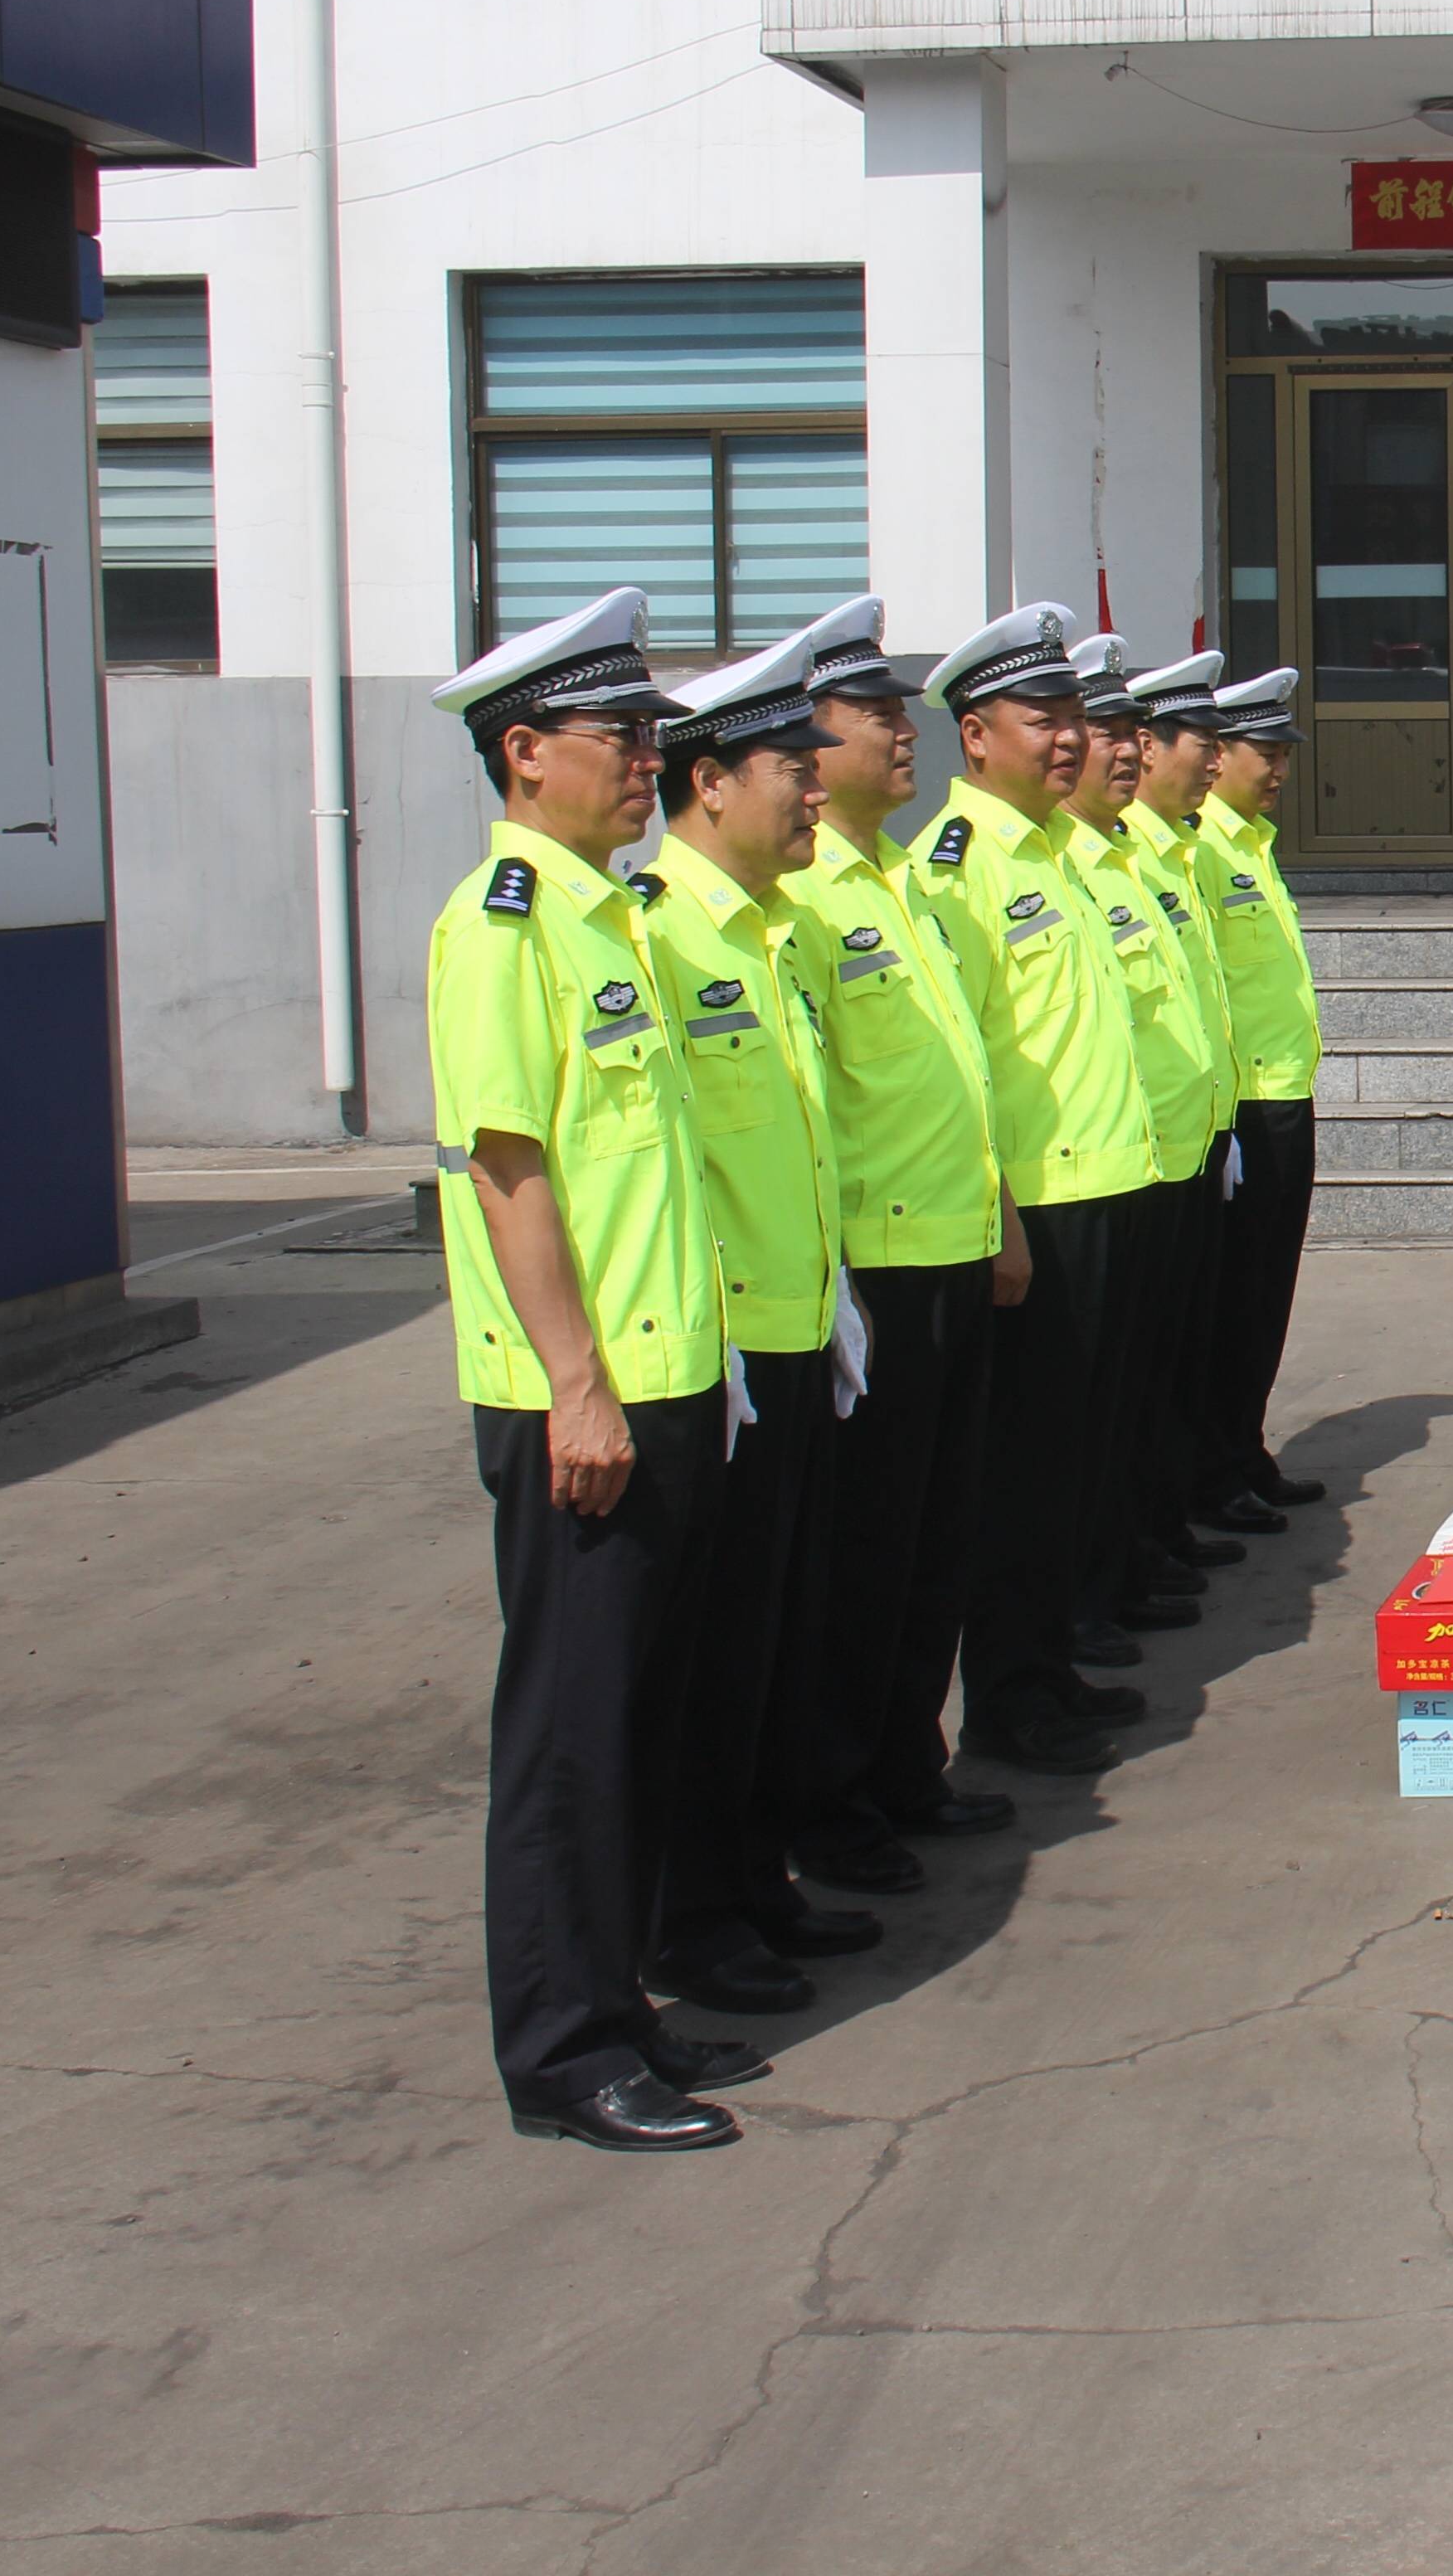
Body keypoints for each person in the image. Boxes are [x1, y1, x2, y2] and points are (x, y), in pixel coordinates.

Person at [423, 586, 750, 2152]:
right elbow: (508, 1169)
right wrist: (573, 1382)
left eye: (650, 734)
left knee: (644, 1713)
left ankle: (623, 2008)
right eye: (622, 735)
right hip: (584, 1400)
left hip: (670, 1375)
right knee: (570, 1730)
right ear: (526, 749)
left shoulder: (606, 911)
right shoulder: (498, 922)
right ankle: (563, 2053)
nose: (647, 760)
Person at [625, 638, 874, 2018]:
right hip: (712, 1361)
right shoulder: (659, 934)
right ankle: (690, 1918)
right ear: (710, 782)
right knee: (709, 1658)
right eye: (793, 770)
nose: (815, 797)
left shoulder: (768, 934)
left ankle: (756, 1880)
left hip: (794, 1330)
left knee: (776, 1636)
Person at [771, 597, 1024, 1891]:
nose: (903, 731)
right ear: (810, 737)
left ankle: (907, 1769)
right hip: (872, 1264)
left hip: (950, 1246)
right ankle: (837, 1806)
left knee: (932, 1539)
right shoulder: (803, 903)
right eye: (878, 713)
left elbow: (959, 1076)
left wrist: (997, 1219)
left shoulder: (900, 881)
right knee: (864, 1558)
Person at [912, 603, 1164, 1777]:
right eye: (1042, 717)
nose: (1068, 739)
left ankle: (1051, 1660)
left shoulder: (1062, 853)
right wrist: (1002, 1216)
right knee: (1017, 1473)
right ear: (975, 734)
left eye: (1074, 716)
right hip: (1039, 1212)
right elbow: (961, 1068)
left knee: (1070, 1458)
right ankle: (1009, 1697)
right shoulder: (955, 875)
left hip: (1110, 1189)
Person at [1060, 634, 1232, 1641]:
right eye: (1105, 732)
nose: (1122, 752)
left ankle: (1128, 1560)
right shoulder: (1000, 871)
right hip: (1069, 1187)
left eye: (1131, 734)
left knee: (1140, 1391)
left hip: (1163, 1151)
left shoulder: (1123, 859)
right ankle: (1073, 1611)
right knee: (1072, 1430)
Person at [1188, 667, 1330, 1533]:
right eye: (1263, 752)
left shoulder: (1248, 842)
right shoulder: (1197, 848)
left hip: (1283, 1092)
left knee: (1266, 1295)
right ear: (1217, 756)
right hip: (1239, 1107)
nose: (1279, 769)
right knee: (1232, 1303)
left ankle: (1246, 1448)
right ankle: (1213, 1467)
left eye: (1284, 753)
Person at [1120, 649, 1248, 1593]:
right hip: (1091, 1176)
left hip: (1190, 1139)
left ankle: (1162, 1524)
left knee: (1178, 1358)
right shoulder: (964, 875)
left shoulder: (1158, 855)